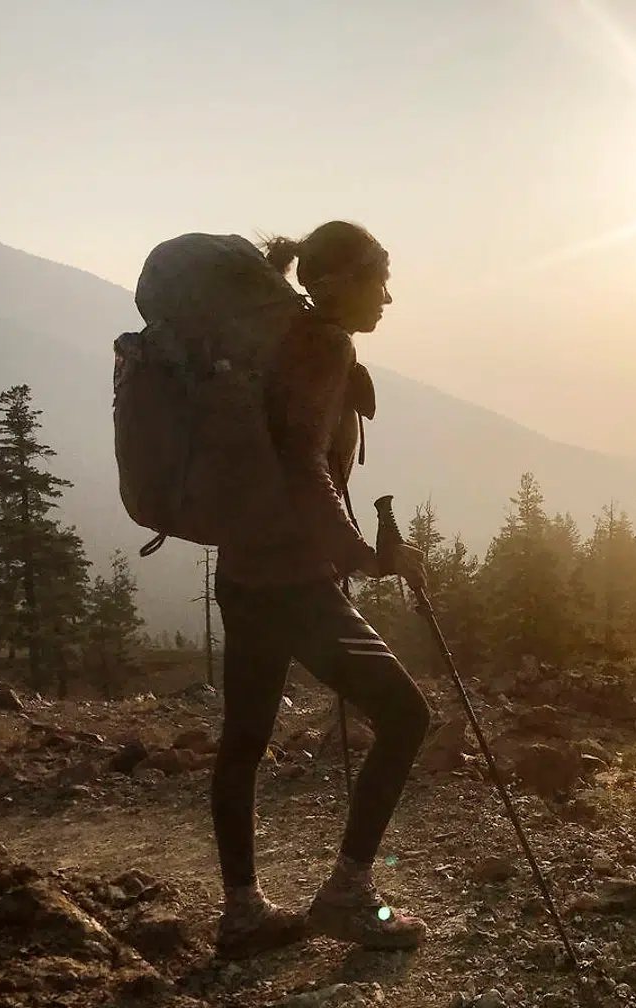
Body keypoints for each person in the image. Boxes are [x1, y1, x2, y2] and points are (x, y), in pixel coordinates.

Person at [210, 220, 432, 958]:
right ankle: (347, 893)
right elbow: (302, 461)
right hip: (297, 583)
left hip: (244, 571)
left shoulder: (279, 340)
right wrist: (367, 558)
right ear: (339, 281)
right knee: (404, 716)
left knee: (244, 741)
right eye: (381, 278)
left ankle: (242, 912)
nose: (389, 297)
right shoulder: (324, 345)